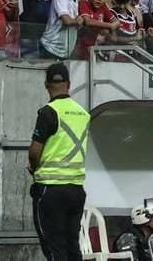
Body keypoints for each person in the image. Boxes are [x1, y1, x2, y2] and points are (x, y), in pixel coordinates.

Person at [28, 62, 91, 261]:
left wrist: (34, 167)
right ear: (69, 84)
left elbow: (34, 151)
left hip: (50, 190)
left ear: (47, 85)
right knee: (72, 247)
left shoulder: (48, 112)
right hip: (76, 190)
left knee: (55, 249)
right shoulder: (83, 114)